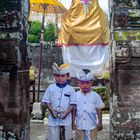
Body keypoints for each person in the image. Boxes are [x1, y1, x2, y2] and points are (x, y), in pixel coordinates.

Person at [42, 63, 76, 140]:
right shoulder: (50, 88)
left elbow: (72, 104)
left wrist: (66, 113)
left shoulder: (71, 89)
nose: (60, 78)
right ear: (54, 76)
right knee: (53, 137)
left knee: (67, 137)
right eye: (57, 76)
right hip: (53, 118)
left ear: (67, 76)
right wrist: (52, 111)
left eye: (62, 76)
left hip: (66, 118)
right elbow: (47, 101)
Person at [72, 69, 105, 140]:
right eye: (82, 83)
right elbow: (74, 109)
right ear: (78, 83)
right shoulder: (75, 95)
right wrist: (73, 122)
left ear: (91, 82)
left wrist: (100, 123)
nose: (85, 85)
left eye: (87, 83)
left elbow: (99, 110)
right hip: (79, 126)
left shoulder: (95, 96)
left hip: (92, 126)